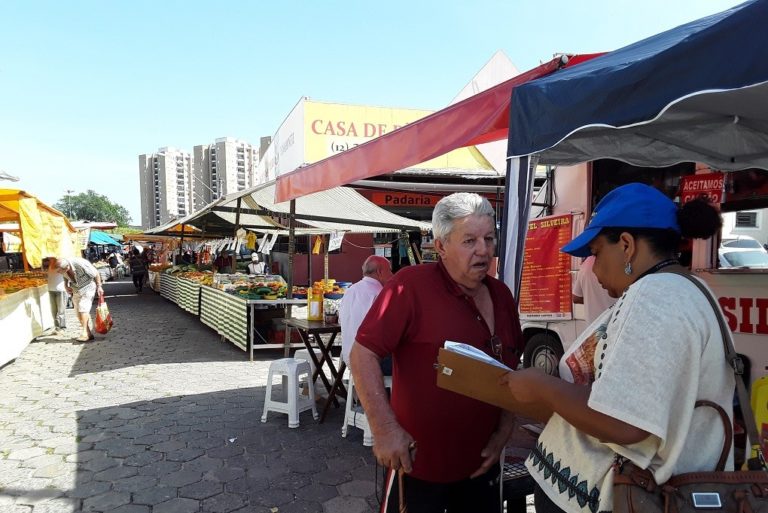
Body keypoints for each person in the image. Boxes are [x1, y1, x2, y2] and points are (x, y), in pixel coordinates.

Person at [499, 183, 734, 513]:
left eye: (596, 253)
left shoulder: (653, 295)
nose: (593, 270)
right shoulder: (692, 288)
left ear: (626, 245)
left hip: (623, 494)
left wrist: (542, 386)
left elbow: (623, 421)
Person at [350, 193, 524, 513]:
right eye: (469, 240)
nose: (483, 250)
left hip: (481, 467)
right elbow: (362, 353)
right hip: (418, 468)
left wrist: (503, 430)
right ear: (441, 246)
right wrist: (384, 428)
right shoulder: (409, 286)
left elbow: (510, 367)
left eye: (489, 238)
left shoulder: (501, 295)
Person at [340, 255, 393, 373]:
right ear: (380, 272)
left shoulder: (350, 290)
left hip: (349, 357)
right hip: (370, 361)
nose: (392, 274)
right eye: (389, 270)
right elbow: (388, 330)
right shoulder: (380, 294)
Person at [55, 256, 104, 342]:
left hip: (88, 286)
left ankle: (84, 333)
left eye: (62, 271)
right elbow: (65, 276)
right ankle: (88, 333)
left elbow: (95, 273)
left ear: (67, 267)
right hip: (76, 289)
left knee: (83, 308)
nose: (60, 273)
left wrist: (99, 286)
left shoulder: (80, 263)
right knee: (78, 312)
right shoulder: (63, 267)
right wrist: (66, 285)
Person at [571, 255, 616, 325]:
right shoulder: (619, 261)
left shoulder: (585, 265)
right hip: (615, 323)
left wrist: (591, 299)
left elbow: (576, 298)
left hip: (594, 327)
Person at [43, 257, 67, 330]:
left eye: (50, 257)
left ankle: (62, 327)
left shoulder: (62, 264)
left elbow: (66, 275)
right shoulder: (50, 266)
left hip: (60, 290)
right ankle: (57, 326)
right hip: (51, 290)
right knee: (53, 311)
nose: (49, 258)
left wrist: (66, 285)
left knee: (61, 310)